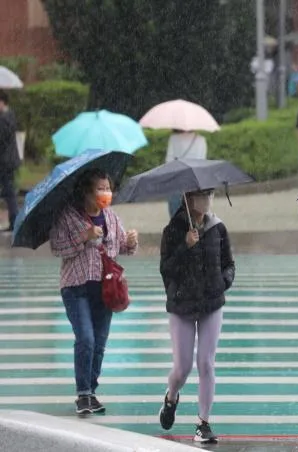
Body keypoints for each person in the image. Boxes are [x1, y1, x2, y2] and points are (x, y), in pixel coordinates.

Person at [49, 168, 138, 415]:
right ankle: (83, 394)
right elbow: (57, 248)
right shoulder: (67, 215)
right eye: (100, 188)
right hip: (75, 287)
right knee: (86, 339)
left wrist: (130, 242)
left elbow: (121, 247)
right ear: (87, 192)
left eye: (108, 188)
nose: (106, 193)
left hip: (105, 289)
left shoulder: (111, 217)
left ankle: (91, 391)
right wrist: (83, 237)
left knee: (99, 343)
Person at [157, 189, 235, 444]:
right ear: (188, 199)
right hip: (182, 306)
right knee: (182, 368)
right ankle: (171, 397)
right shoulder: (172, 230)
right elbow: (166, 269)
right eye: (202, 195)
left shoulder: (217, 228)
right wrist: (185, 246)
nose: (207, 199)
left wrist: (222, 283)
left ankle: (203, 423)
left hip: (212, 303)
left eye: (210, 194)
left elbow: (229, 264)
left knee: (206, 363)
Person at [165, 129, 208, 217]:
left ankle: (178, 224)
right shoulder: (201, 139)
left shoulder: (174, 139)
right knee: (195, 208)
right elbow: (202, 161)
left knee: (176, 208)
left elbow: (168, 161)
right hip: (195, 178)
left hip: (177, 178)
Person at [0, 90, 20, 231]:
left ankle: (14, 220)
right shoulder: (9, 116)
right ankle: (14, 220)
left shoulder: (4, 119)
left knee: (9, 192)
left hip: (5, 162)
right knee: (9, 192)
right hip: (8, 161)